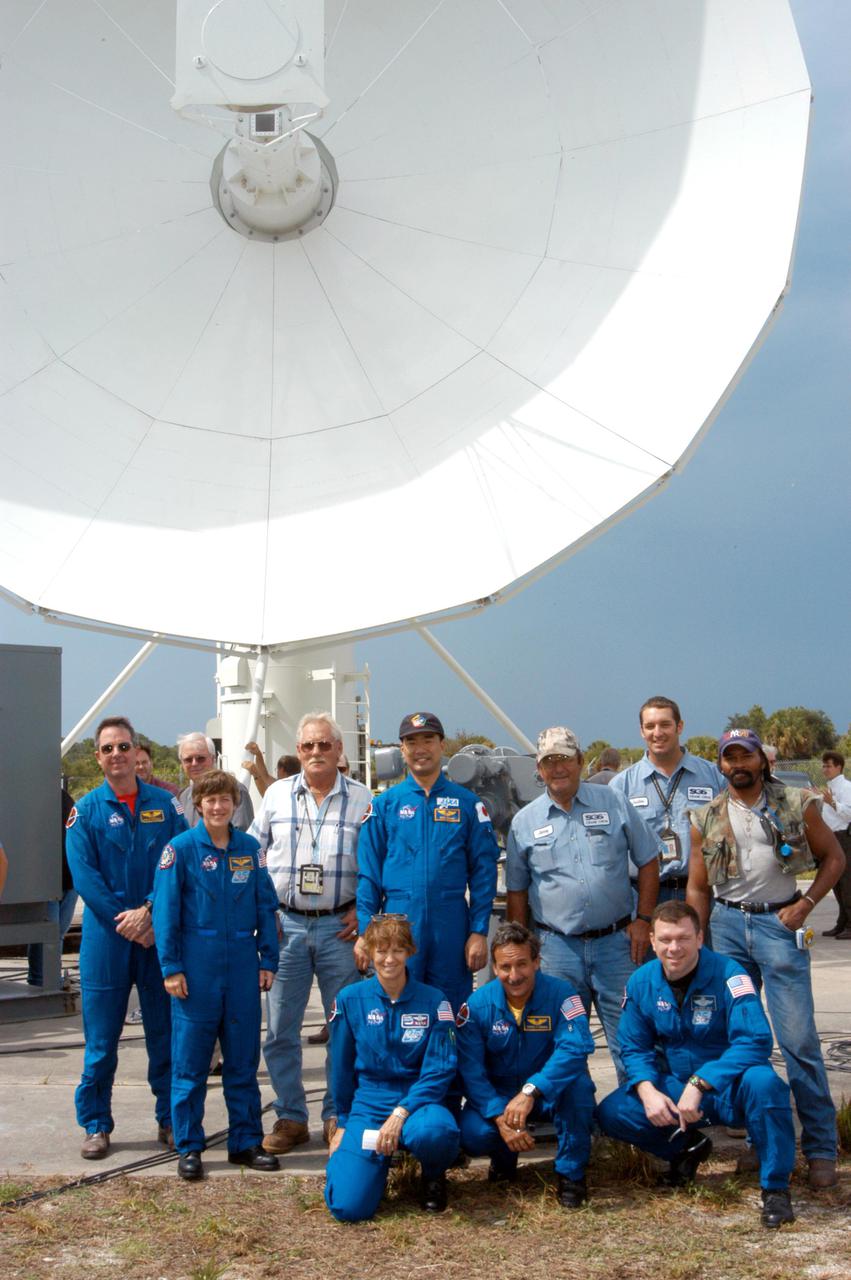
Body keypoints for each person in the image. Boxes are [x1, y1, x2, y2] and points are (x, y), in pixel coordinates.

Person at [686, 728, 845, 1189]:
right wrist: (699, 940)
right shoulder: (706, 816)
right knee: (744, 1041)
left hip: (781, 926)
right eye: (729, 756)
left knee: (798, 1042)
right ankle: (763, 1143)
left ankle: (819, 1147)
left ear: (762, 760)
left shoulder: (796, 804)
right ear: (720, 765)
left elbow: (833, 859)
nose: (738, 763)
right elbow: (698, 886)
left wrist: (806, 904)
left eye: (746, 755)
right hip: (730, 929)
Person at [596, 901, 797, 1228]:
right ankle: (686, 1149)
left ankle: (775, 1188)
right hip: (676, 1084)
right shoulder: (641, 982)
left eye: (683, 938)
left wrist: (701, 1082)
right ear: (652, 940)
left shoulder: (730, 974)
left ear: (700, 938)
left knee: (767, 1085)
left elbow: (755, 1040)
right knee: (612, 1111)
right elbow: (633, 1047)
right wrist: (647, 1090)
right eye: (665, 940)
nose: (674, 948)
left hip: (729, 1086)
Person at [506, 727, 661, 1082]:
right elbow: (517, 891)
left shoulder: (614, 801)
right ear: (539, 770)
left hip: (618, 947)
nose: (558, 768)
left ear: (579, 761)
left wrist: (645, 920)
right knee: (565, 1046)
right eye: (549, 762)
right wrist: (521, 949)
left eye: (565, 759)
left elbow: (650, 859)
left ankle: (635, 1125)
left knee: (631, 1041)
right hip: (557, 950)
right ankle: (576, 1128)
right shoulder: (524, 822)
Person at [249, 712, 373, 1154]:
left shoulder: (363, 799)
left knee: (345, 1027)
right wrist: (265, 911)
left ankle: (337, 1114)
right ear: (298, 751)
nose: (316, 753)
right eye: (308, 746)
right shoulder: (278, 796)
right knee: (281, 1028)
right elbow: (252, 853)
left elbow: (378, 862)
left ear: (341, 750)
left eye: (325, 745)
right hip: (287, 927)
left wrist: (365, 909)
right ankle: (290, 1116)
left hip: (342, 929)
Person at [65, 716, 186, 1158]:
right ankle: (96, 1123)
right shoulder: (85, 812)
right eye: (107, 748)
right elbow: (85, 877)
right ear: (97, 757)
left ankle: (170, 1120)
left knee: (164, 1035)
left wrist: (151, 912)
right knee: (100, 1042)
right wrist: (128, 920)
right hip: (106, 942)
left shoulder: (167, 807)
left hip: (158, 938)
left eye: (124, 747)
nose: (116, 755)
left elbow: (177, 864)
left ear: (138, 752)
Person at [152, 769, 280, 1180]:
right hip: (197, 968)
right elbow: (166, 914)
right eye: (210, 800)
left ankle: (245, 1142)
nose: (218, 806)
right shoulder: (180, 850)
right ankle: (189, 1146)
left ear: (236, 804)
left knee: (243, 1062)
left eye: (225, 799)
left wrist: (268, 960)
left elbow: (265, 907)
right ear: (198, 804)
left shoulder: (250, 849)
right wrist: (171, 968)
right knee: (190, 1066)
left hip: (242, 966)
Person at [356, 711, 500, 1015]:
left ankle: (448, 1064)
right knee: (399, 1010)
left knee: (450, 1010)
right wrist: (364, 932)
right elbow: (368, 875)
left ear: (442, 745)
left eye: (428, 740)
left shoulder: (468, 805)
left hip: (450, 925)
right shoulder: (384, 806)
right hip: (398, 924)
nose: (420, 748)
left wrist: (478, 931)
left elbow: (483, 873)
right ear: (402, 749)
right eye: (411, 741)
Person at [324, 915, 460, 1221]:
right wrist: (343, 1123)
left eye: (398, 949)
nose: (389, 958)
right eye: (382, 950)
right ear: (369, 953)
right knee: (348, 1207)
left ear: (410, 952)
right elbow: (342, 1067)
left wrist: (402, 1112)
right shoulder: (349, 1000)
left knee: (436, 1133)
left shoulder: (434, 1001)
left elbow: (440, 1069)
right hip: (369, 1105)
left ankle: (433, 1176)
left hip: (419, 1104)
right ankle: (366, 1168)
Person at [456, 922, 596, 1208]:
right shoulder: (477, 1005)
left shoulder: (563, 995)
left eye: (522, 964)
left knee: (579, 1089)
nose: (514, 975)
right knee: (473, 1134)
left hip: (546, 1092)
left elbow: (575, 1049)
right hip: (501, 1096)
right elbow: (470, 1070)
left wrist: (532, 1091)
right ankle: (504, 1159)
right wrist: (498, 1116)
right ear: (494, 968)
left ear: (536, 962)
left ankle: (571, 1173)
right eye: (505, 967)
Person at [610, 697, 724, 903]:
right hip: (644, 897)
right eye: (650, 726)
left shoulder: (713, 777)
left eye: (665, 725)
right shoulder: (621, 786)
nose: (657, 733)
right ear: (641, 731)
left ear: (679, 727)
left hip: (701, 893)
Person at [27, 787, 78, 986]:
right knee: (48, 936)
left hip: (68, 880)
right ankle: (41, 982)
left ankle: (49, 982)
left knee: (56, 936)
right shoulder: (28, 798)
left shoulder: (62, 796)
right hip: (45, 881)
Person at [177, 732, 254, 831]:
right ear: (182, 763)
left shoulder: (235, 790)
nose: (194, 764)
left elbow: (241, 833)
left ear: (213, 759)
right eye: (188, 760)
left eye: (201, 758)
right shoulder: (183, 796)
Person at [819, 750, 851, 938]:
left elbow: (848, 814)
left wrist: (832, 803)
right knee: (836, 882)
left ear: (839, 766)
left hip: (844, 837)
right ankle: (842, 922)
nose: (825, 769)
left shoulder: (846, 787)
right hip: (830, 837)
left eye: (828, 766)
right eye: (823, 766)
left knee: (847, 882)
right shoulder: (829, 788)